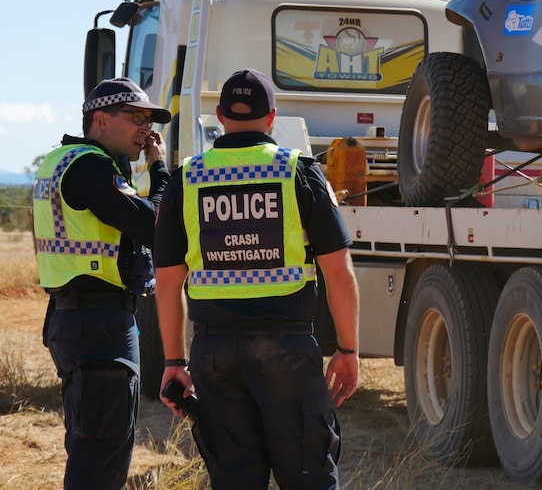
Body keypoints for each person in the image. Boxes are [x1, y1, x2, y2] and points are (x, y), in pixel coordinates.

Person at [153, 68, 360, 490]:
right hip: (287, 348)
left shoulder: (186, 178)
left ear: (219, 116)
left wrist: (174, 361)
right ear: (272, 118)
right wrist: (348, 349)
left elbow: (168, 282)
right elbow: (339, 271)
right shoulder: (297, 171)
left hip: (214, 354)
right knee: (309, 478)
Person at [32, 77, 171, 489]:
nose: (146, 128)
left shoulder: (61, 159)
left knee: (89, 443)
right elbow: (154, 226)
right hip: (100, 326)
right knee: (103, 455)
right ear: (101, 119)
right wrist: (159, 171)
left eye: (149, 120)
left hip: (72, 319)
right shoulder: (91, 168)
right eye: (136, 117)